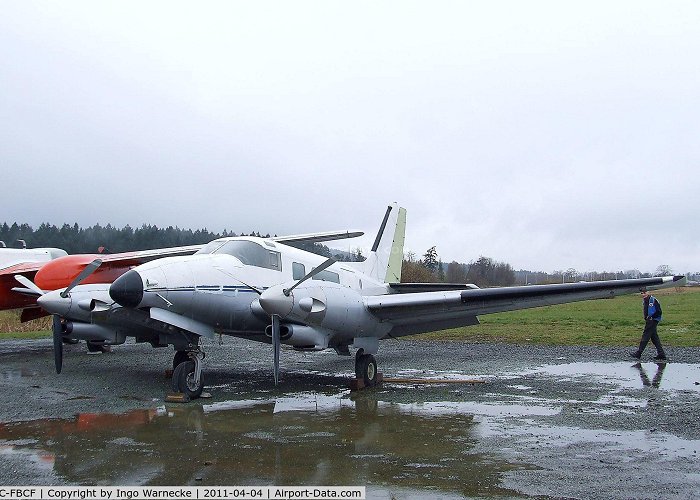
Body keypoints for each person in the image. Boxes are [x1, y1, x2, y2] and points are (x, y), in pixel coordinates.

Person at [630, 289, 667, 360]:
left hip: (653, 320)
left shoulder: (653, 300)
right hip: (649, 320)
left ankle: (639, 353)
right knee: (654, 338)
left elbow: (659, 311)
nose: (643, 294)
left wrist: (652, 317)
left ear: (649, 292)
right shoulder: (645, 301)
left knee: (646, 335)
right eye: (642, 293)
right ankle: (661, 354)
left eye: (645, 293)